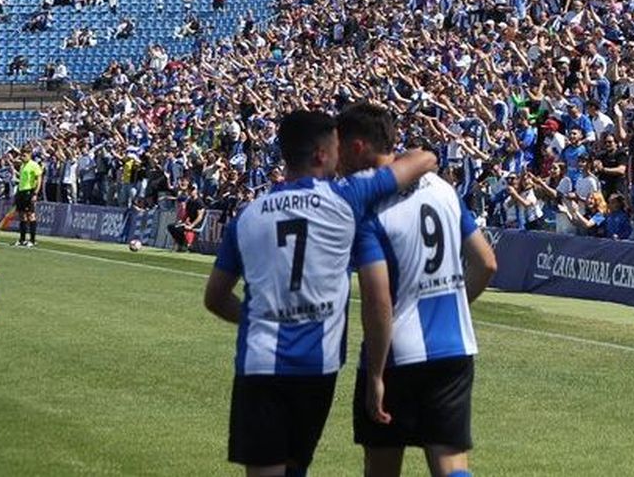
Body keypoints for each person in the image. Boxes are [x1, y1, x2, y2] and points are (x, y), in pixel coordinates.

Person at [202, 110, 437, 477]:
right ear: (320, 154)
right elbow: (423, 159)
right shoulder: (348, 196)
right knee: (296, 466)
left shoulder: (247, 216)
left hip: (260, 362)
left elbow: (215, 297)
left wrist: (257, 318)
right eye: (335, 147)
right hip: (317, 366)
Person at [339, 102, 498, 477]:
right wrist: (455, 304)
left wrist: (375, 375)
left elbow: (378, 303)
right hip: (456, 347)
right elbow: (487, 263)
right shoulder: (443, 188)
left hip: (398, 354)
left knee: (382, 463)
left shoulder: (367, 206)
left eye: (339, 146)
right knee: (450, 465)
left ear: (358, 146)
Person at [13, 148, 42, 247]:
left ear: (30, 155)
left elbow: (39, 179)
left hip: (29, 191)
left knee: (31, 215)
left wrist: (35, 193)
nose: (22, 157)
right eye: (22, 155)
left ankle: (33, 240)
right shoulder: (22, 166)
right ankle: (22, 239)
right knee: (22, 215)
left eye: (24, 155)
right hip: (21, 191)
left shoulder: (34, 165)